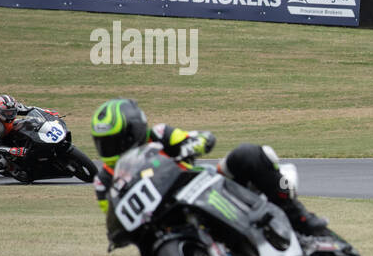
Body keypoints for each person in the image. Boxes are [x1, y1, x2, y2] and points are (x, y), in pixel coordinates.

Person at [89, 98, 327, 236]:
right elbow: (114, 215)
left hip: (206, 187)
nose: (111, 149)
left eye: (116, 142)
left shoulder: (160, 135)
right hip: (170, 224)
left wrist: (191, 146)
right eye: (104, 144)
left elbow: (203, 138)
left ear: (135, 131)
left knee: (247, 155)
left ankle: (300, 217)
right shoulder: (103, 179)